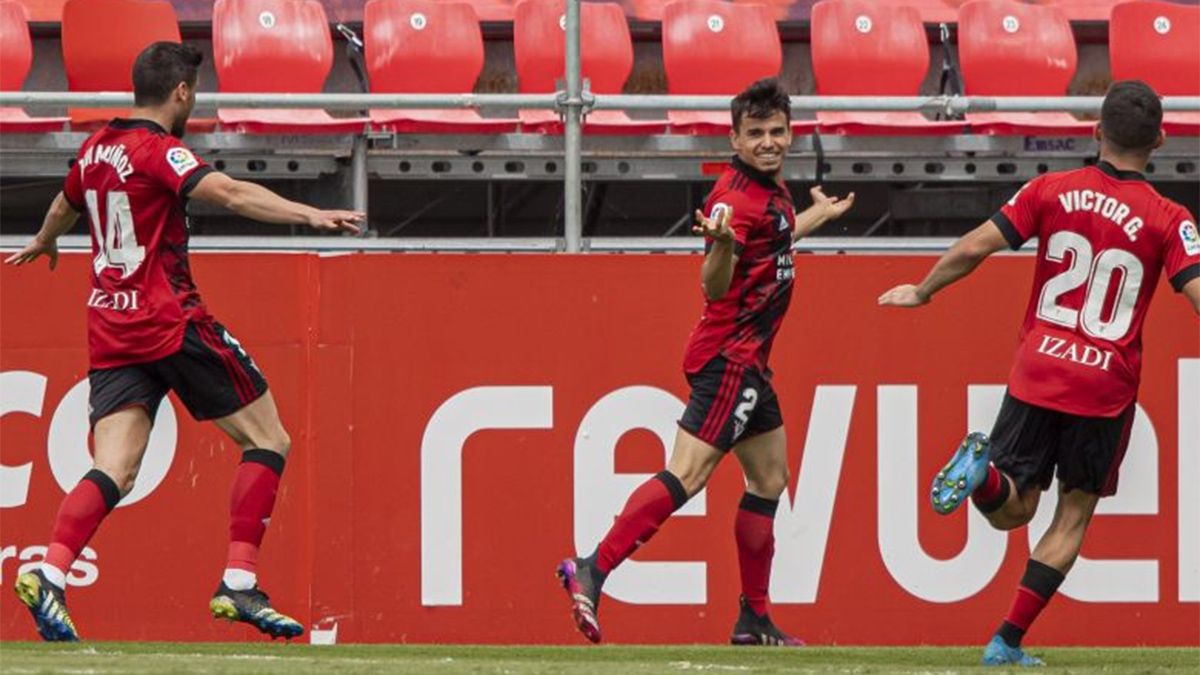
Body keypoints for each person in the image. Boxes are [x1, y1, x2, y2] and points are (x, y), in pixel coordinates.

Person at [5, 41, 363, 642]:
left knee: (113, 468)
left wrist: (44, 240)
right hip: (170, 322)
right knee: (268, 438)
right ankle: (240, 582)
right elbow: (227, 192)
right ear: (181, 93)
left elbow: (65, 205)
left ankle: (50, 571)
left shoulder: (96, 148)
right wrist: (309, 214)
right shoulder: (158, 151)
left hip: (112, 328)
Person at [879, 80, 1199, 666]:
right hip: (1104, 389)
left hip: (1039, 370)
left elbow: (977, 246)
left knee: (1014, 510)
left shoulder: (1051, 190)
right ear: (1160, 139)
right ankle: (1006, 641)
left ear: (1096, 131)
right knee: (1070, 514)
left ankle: (986, 477)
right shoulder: (1170, 219)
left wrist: (924, 291)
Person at [556, 78, 855, 646]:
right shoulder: (734, 201)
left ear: (789, 133)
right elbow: (715, 285)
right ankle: (592, 567)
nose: (769, 141)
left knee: (770, 477)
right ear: (735, 139)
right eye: (756, 134)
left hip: (749, 363)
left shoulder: (770, 191)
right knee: (688, 475)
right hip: (729, 360)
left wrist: (818, 218)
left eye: (777, 131)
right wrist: (720, 245)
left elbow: (775, 241)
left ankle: (754, 619)